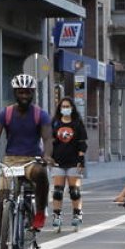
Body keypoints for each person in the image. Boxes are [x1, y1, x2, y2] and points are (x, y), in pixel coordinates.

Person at [0, 74, 54, 245]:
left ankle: (40, 212)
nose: (24, 96)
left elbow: (47, 139)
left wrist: (47, 156)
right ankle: (4, 245)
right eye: (21, 92)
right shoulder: (5, 113)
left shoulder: (40, 114)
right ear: (15, 93)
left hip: (32, 160)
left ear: (33, 93)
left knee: (41, 173)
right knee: (3, 203)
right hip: (11, 161)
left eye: (28, 92)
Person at [49, 96, 88, 231]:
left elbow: (82, 143)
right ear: (60, 109)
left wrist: (81, 161)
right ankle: (57, 216)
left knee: (74, 191)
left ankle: (77, 214)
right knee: (57, 191)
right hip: (58, 161)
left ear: (72, 108)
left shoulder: (77, 123)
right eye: (63, 106)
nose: (65, 109)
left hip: (73, 162)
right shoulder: (55, 123)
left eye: (67, 106)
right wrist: (49, 157)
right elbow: (49, 141)